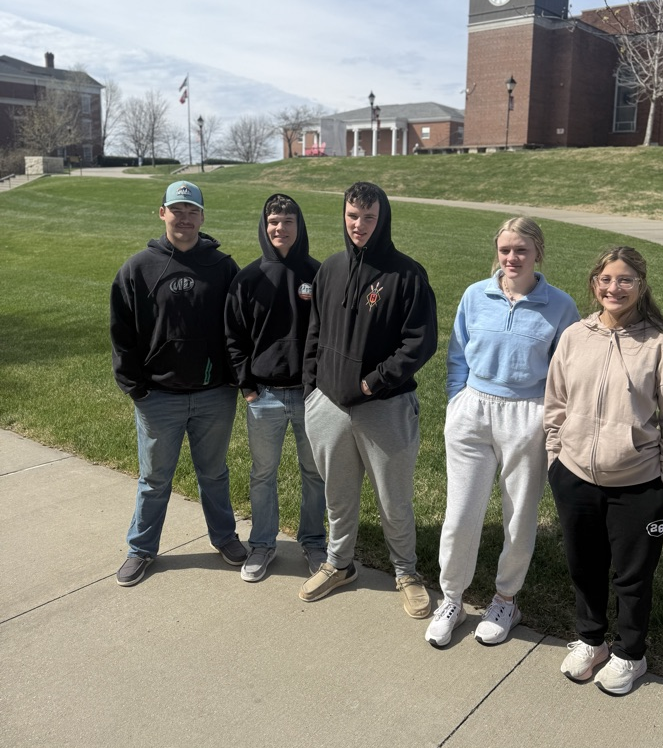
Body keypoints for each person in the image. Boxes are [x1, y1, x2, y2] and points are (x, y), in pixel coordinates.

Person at [545, 246, 663, 696]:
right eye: (607, 279)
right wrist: (556, 458)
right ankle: (591, 641)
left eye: (625, 280)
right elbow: (556, 403)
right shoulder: (575, 336)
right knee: (584, 566)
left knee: (632, 576)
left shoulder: (660, 346)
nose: (615, 288)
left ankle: (631, 652)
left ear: (641, 286)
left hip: (638, 485)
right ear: (595, 283)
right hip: (575, 477)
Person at [425, 217, 579, 648]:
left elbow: (567, 370)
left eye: (521, 251)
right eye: (505, 249)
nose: (511, 258)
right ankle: (452, 597)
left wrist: (549, 418)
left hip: (527, 415)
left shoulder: (560, 305)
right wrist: (458, 399)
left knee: (519, 515)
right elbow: (457, 351)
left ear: (538, 254)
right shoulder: (476, 295)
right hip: (473, 409)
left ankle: (505, 600)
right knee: (461, 513)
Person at [300, 181, 438, 618]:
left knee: (393, 500)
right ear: (344, 216)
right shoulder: (330, 269)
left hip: (384, 407)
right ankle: (340, 564)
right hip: (328, 407)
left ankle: (406, 572)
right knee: (338, 497)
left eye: (369, 217)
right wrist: (311, 390)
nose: (359, 226)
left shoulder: (406, 274)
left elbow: (420, 343)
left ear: (383, 218)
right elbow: (315, 332)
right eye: (353, 216)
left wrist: (371, 383)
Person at [110, 180, 246, 586]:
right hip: (159, 396)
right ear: (162, 212)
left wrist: (234, 378)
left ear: (202, 217)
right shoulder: (138, 268)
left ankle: (224, 538)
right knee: (154, 479)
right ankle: (141, 549)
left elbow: (239, 327)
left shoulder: (223, 268)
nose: (184, 218)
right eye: (177, 210)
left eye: (192, 211)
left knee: (214, 474)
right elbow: (122, 332)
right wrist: (134, 386)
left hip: (214, 395)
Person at [225, 194, 327, 582]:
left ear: (299, 227)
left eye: (287, 221)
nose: (280, 228)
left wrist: (317, 385)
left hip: (309, 396)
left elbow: (329, 335)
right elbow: (233, 336)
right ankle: (263, 544)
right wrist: (247, 387)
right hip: (263, 396)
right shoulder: (248, 278)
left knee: (314, 473)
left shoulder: (318, 274)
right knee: (263, 473)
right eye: (273, 221)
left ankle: (314, 542)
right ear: (264, 226)